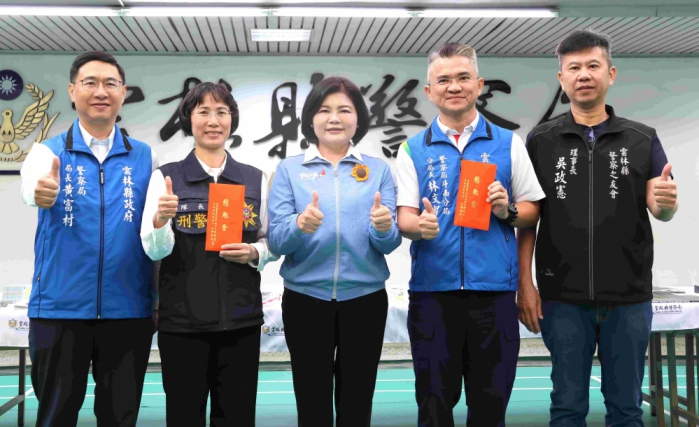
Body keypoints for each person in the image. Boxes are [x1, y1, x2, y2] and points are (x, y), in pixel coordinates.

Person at [518, 29, 679, 427]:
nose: (584, 75)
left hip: (628, 298)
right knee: (566, 406)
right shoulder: (541, 140)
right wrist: (525, 284)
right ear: (561, 79)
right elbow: (528, 218)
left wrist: (667, 204)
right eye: (574, 68)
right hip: (562, 298)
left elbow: (660, 208)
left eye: (593, 65)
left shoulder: (642, 139)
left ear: (611, 73)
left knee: (626, 410)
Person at [394, 42, 545, 427]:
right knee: (433, 405)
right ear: (429, 91)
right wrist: (420, 227)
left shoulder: (509, 143)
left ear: (478, 85)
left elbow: (533, 209)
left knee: (490, 406)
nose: (454, 86)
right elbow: (404, 217)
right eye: (443, 80)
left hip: (493, 295)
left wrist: (507, 211)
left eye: (463, 77)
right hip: (432, 295)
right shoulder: (412, 149)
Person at [20, 51, 157, 426]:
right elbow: (30, 188)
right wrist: (39, 192)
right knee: (56, 416)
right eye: (90, 83)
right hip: (59, 310)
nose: (101, 92)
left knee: (120, 416)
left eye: (110, 83)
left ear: (123, 92)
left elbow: (154, 233)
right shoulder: (46, 152)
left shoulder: (145, 157)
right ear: (72, 91)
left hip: (128, 310)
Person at [140, 82, 277, 427]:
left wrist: (254, 251)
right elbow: (153, 249)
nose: (213, 121)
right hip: (182, 325)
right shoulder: (166, 178)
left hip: (241, 323)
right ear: (189, 119)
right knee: (184, 416)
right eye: (203, 112)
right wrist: (161, 220)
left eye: (221, 112)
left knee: (237, 417)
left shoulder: (254, 179)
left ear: (232, 120)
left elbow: (271, 240)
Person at [267, 76, 402, 427]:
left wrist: (383, 227)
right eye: (324, 110)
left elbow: (390, 243)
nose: (334, 118)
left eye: (345, 110)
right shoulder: (289, 170)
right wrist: (299, 225)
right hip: (305, 299)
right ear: (311, 118)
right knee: (311, 399)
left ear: (359, 118)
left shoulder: (377, 170)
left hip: (366, 299)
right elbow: (277, 241)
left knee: (357, 399)